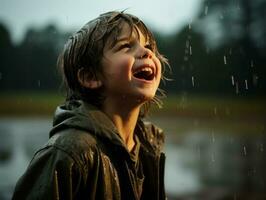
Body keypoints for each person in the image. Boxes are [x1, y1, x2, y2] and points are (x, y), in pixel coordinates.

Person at [12, 11, 169, 200]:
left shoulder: (149, 144)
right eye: (126, 46)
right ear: (90, 77)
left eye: (148, 46)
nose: (147, 52)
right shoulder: (68, 153)